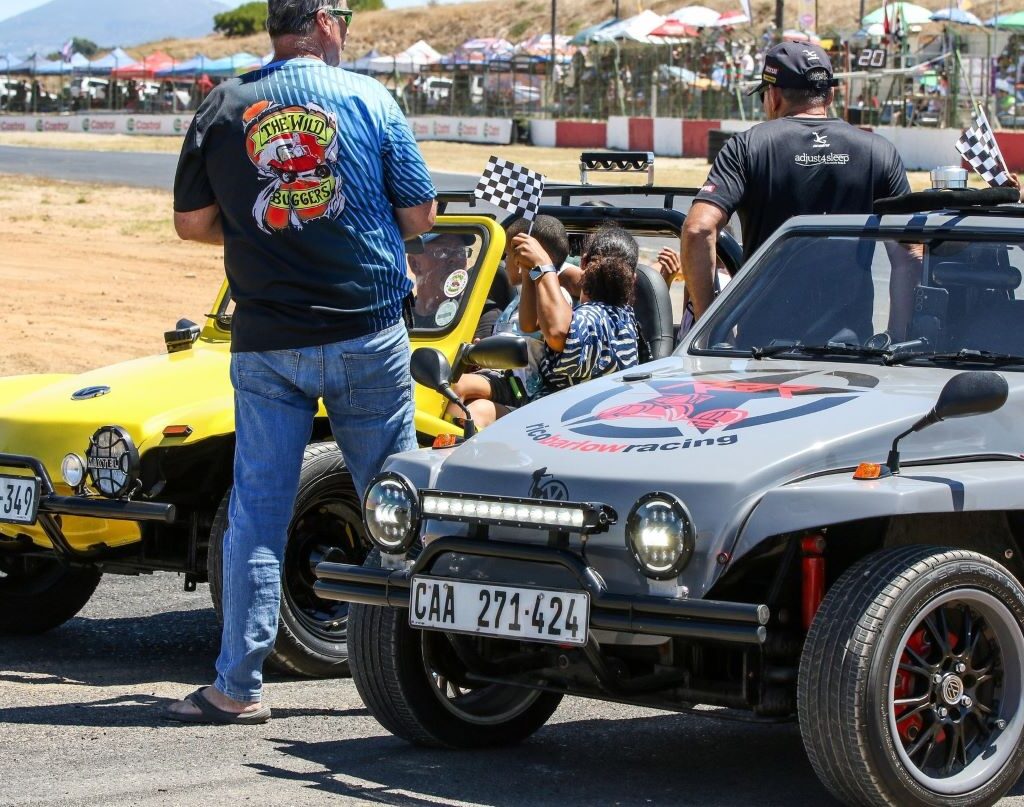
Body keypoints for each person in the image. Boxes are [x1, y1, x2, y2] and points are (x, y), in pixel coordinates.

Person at [166, 0, 436, 724]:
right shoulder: (371, 98)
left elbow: (191, 221)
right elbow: (421, 216)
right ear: (322, 21)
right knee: (396, 504)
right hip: (365, 332)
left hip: (267, 340)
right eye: (343, 14)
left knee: (259, 511)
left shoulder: (223, 103)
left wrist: (266, 223)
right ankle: (420, 670)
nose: (346, 26)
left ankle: (237, 686)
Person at [681, 41, 912, 325]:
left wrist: (710, 326)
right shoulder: (879, 151)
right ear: (830, 95)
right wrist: (899, 337)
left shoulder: (747, 146)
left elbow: (698, 228)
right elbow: (911, 253)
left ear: (774, 96)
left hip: (761, 344)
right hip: (850, 347)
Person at [447, 215, 574, 427]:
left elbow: (530, 328)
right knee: (467, 405)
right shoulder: (517, 299)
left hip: (523, 386)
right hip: (502, 379)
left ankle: (442, 450)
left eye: (508, 254)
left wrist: (531, 269)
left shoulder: (556, 296)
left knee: (455, 386)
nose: (505, 262)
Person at [531, 224, 641, 392]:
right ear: (633, 279)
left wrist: (544, 267)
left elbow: (557, 333)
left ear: (583, 263)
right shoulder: (625, 318)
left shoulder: (594, 316)